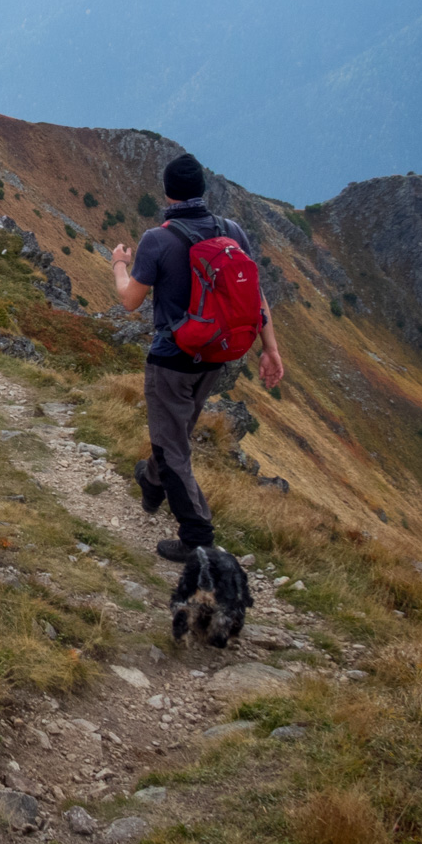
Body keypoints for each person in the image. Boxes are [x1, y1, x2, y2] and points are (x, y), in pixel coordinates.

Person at [110, 153, 285, 564]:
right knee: (175, 434)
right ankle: (152, 483)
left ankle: (197, 535)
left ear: (167, 193)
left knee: (172, 444)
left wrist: (119, 264)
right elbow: (254, 297)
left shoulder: (157, 239)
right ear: (204, 190)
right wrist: (270, 349)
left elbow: (130, 301)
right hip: (216, 357)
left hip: (172, 359)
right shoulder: (233, 231)